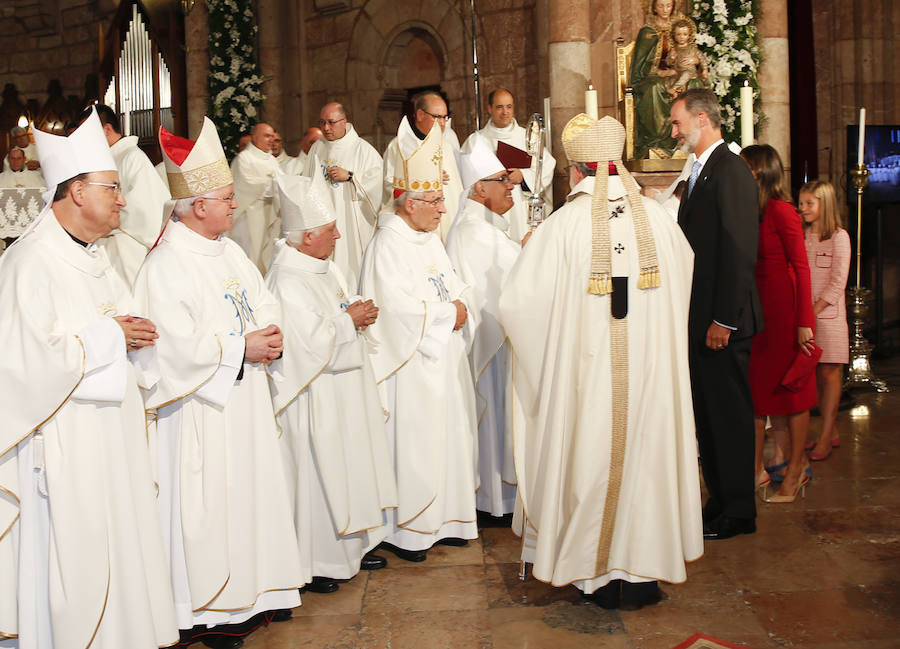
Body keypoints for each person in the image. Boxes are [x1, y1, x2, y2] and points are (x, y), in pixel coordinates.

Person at [499, 114, 701, 610]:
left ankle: (594, 574)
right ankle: (644, 573)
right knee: (647, 463)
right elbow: (686, 279)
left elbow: (516, 307)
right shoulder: (658, 220)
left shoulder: (562, 226)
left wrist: (551, 355)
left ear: (576, 171)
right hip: (652, 376)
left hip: (588, 380)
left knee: (592, 458)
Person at [0, 108, 178, 648]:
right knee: (74, 571)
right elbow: (23, 366)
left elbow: (124, 331)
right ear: (75, 192)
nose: (123, 199)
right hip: (63, 451)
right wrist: (112, 338)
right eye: (111, 188)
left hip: (111, 440)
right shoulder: (29, 264)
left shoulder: (97, 258)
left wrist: (140, 339)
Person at [132, 117, 303, 648]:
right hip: (202, 410)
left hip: (244, 398)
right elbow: (169, 346)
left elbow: (261, 299)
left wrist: (271, 333)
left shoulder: (227, 251)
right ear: (198, 204)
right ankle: (208, 608)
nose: (236, 206)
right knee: (209, 507)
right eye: (228, 199)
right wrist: (239, 349)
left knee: (247, 499)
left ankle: (252, 595)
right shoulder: (165, 264)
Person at [266, 173, 397, 595]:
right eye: (328, 230)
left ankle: (353, 547)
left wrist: (356, 314)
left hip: (346, 388)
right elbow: (302, 346)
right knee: (322, 475)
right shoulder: (287, 280)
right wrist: (349, 320)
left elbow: (339, 313)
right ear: (305, 238)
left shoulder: (327, 267)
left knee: (351, 466)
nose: (339, 234)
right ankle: (320, 560)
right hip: (316, 396)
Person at [358, 122, 479, 562]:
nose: (442, 208)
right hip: (410, 366)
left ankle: (448, 519)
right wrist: (451, 313)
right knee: (416, 443)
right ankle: (409, 530)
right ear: (409, 203)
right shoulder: (388, 243)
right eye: (433, 200)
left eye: (441, 199)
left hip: (440, 358)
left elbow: (453, 284)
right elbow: (394, 309)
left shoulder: (426, 239)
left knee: (446, 437)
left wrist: (461, 305)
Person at [671, 88, 762, 540]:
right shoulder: (701, 170)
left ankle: (740, 510)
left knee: (728, 415)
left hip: (723, 322)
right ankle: (721, 500)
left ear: (702, 119)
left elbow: (740, 251)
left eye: (678, 122)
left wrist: (724, 320)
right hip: (703, 319)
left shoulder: (732, 171)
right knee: (708, 416)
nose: (674, 131)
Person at [445, 135, 520, 519]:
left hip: (501, 345)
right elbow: (509, 285)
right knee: (493, 418)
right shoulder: (473, 232)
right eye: (501, 181)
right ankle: (494, 500)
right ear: (479, 188)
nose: (511, 186)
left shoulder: (486, 226)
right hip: (490, 350)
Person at [742, 144, 816, 503]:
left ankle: (795, 472)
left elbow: (801, 268)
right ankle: (755, 470)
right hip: (757, 315)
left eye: (744, 167)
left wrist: (804, 321)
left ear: (759, 171)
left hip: (785, 315)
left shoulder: (783, 211)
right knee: (756, 398)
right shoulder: (750, 209)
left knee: (792, 396)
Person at [303, 102, 382, 289]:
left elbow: (379, 186)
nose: (326, 128)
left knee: (350, 270)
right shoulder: (317, 149)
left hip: (349, 226)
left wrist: (351, 177)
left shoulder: (363, 150)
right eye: (322, 123)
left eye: (331, 122)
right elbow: (306, 182)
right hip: (322, 222)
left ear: (344, 121)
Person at [92, 104, 171, 286]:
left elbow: (147, 207)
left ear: (106, 130)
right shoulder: (108, 159)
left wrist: (102, 219)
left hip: (128, 246)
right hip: (107, 244)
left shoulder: (132, 157)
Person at [461, 88, 555, 243]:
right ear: (489, 109)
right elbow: (465, 178)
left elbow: (547, 165)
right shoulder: (475, 141)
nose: (505, 112)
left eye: (509, 107)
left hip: (519, 207)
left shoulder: (528, 137)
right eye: (499, 107)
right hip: (489, 208)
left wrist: (523, 176)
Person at [799, 180, 851, 460]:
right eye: (802, 203)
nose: (803, 208)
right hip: (808, 319)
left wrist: (812, 311)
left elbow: (836, 283)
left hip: (828, 318)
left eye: (809, 203)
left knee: (830, 374)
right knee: (815, 375)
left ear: (824, 205)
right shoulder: (804, 235)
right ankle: (829, 430)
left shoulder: (839, 237)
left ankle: (826, 435)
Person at [382, 91, 464, 241]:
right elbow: (390, 186)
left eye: (445, 117)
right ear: (420, 115)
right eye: (437, 117)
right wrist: (425, 177)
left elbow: (456, 188)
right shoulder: (399, 146)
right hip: (417, 229)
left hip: (449, 223)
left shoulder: (446, 146)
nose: (442, 123)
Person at [630, 0, 702, 159]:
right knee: (654, 88)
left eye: (668, 5)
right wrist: (662, 72)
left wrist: (695, 61)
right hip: (653, 77)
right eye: (661, 5)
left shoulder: (681, 27)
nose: (665, 9)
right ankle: (659, 141)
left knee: (696, 84)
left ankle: (692, 138)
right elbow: (641, 66)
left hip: (678, 75)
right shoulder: (648, 32)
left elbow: (694, 53)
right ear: (654, 7)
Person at [229, 121, 282, 273]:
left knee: (267, 253)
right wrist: (272, 185)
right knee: (251, 254)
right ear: (255, 137)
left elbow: (282, 182)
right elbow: (245, 184)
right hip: (250, 215)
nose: (271, 140)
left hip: (270, 213)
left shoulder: (272, 159)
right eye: (267, 136)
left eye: (272, 136)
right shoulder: (244, 158)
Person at [664, 18, 709, 99]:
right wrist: (671, 58)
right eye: (679, 34)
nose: (682, 37)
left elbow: (702, 58)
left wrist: (705, 70)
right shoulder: (673, 49)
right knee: (669, 80)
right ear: (674, 35)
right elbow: (668, 63)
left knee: (686, 74)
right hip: (677, 72)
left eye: (685, 34)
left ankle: (674, 89)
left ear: (689, 35)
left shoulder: (692, 49)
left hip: (690, 72)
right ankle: (674, 95)